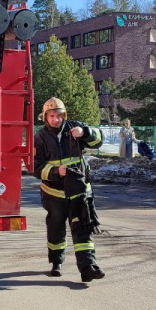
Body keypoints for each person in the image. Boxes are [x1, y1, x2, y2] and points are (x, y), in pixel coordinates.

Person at [33, 98, 106, 283]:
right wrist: (57, 171)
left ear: (64, 115)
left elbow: (99, 140)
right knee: (56, 227)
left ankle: (88, 267)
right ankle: (56, 262)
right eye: (52, 116)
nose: (56, 119)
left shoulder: (75, 128)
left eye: (59, 116)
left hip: (80, 192)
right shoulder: (40, 138)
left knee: (82, 227)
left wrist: (85, 132)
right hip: (54, 193)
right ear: (45, 117)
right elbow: (35, 167)